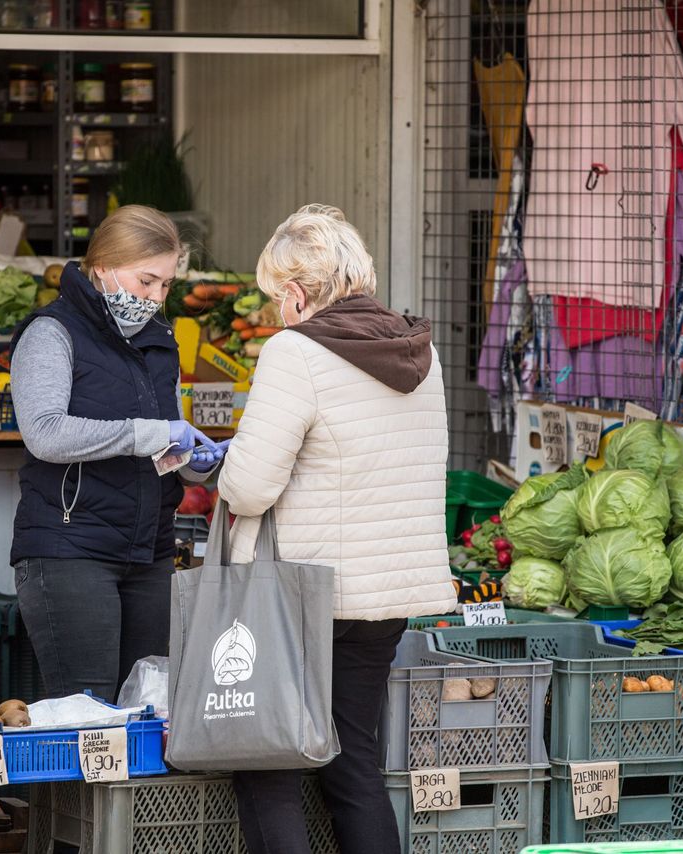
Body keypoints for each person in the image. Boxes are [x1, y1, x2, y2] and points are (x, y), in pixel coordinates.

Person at [217, 204, 454, 854]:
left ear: (296, 292)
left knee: (269, 767)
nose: (275, 310)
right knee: (353, 764)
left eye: (276, 296)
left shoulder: (295, 352)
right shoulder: (419, 353)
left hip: (300, 595)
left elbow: (250, 485)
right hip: (385, 597)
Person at [9, 205, 222, 703]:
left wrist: (196, 462)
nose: (155, 298)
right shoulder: (50, 333)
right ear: (102, 266)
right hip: (70, 551)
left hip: (148, 552)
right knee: (88, 719)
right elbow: (44, 433)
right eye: (146, 281)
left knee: (147, 706)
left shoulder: (159, 342)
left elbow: (157, 443)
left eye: (166, 285)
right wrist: (147, 433)